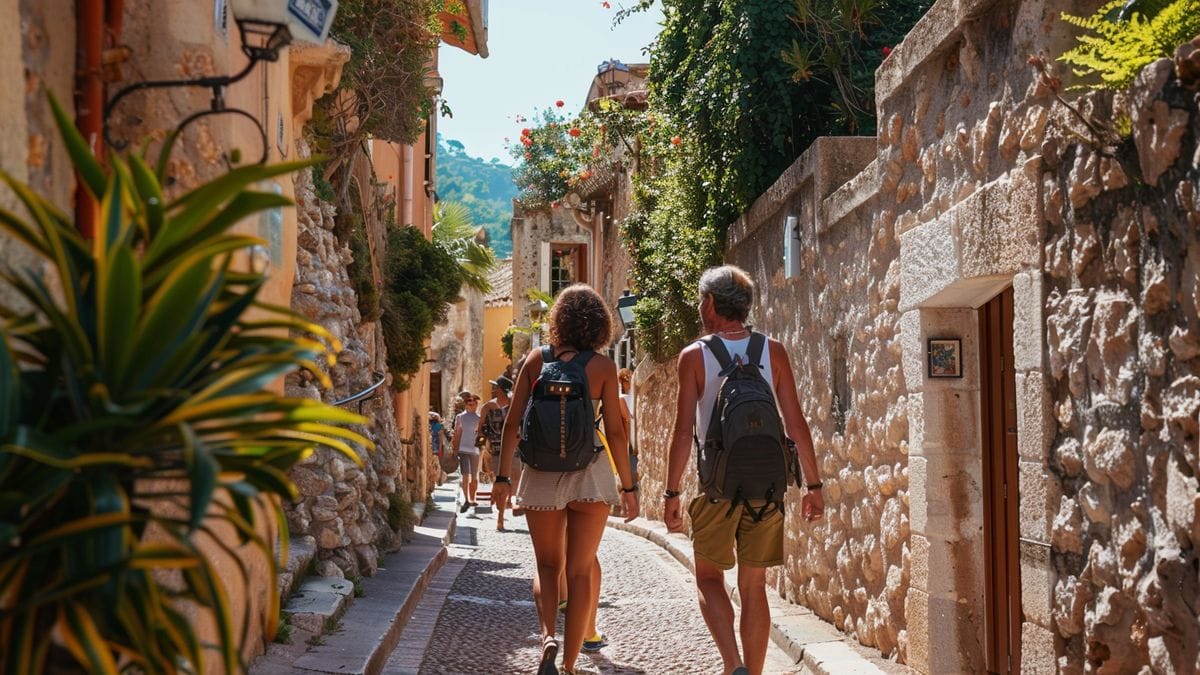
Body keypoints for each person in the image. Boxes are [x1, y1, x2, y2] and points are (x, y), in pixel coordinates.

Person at [664, 265, 824, 675]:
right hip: (767, 487)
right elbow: (796, 423)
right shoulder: (774, 351)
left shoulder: (694, 356)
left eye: (701, 300)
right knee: (754, 587)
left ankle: (732, 664)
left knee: (709, 578)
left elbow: (682, 432)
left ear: (710, 303)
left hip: (716, 487)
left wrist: (672, 492)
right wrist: (813, 485)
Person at [492, 284, 639, 675]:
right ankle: (571, 665)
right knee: (580, 571)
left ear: (558, 320)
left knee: (547, 566)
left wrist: (503, 478)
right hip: (590, 475)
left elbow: (512, 425)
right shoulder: (603, 368)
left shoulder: (535, 361)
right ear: (599, 325)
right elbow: (616, 432)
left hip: (541, 474)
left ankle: (547, 638)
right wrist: (629, 487)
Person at [479, 373, 517, 530]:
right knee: (500, 482)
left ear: (500, 389)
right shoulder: (488, 407)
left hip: (513, 450)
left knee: (512, 483)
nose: (493, 389)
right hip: (494, 451)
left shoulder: (514, 407)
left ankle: (505, 505)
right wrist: (481, 448)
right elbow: (480, 429)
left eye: (495, 386)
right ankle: (500, 517)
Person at [450, 392, 483, 513]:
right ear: (466, 404)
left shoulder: (479, 418)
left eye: (473, 402)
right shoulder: (460, 417)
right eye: (469, 401)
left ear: (476, 404)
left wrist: (480, 447)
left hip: (475, 451)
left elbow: (481, 434)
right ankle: (466, 499)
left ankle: (472, 498)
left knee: (474, 476)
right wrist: (455, 449)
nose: (471, 403)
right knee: (465, 475)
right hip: (463, 449)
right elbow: (457, 433)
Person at [429, 411, 445, 484]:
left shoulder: (429, 425)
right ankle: (438, 478)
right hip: (436, 447)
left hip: (431, 446)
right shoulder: (438, 426)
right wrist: (440, 448)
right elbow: (441, 437)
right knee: (438, 463)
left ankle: (434, 478)